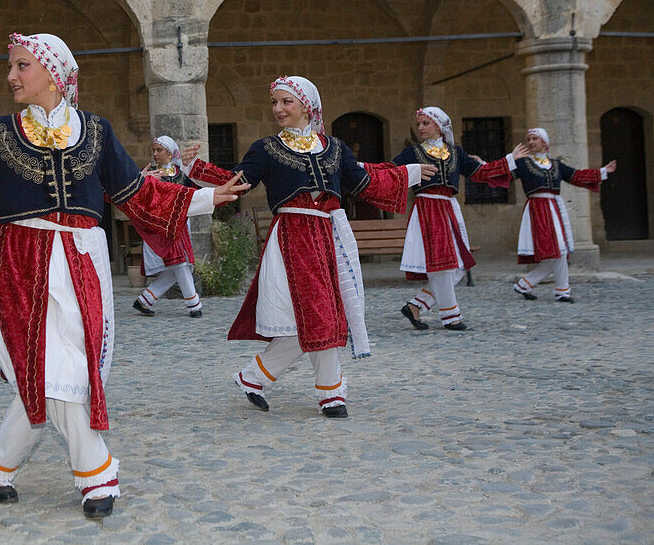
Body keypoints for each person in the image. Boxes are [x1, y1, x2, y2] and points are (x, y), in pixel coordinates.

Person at [0, 33, 246, 518]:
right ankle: (96, 474)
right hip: (20, 261)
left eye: (21, 66)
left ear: (53, 73)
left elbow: (137, 193)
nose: (11, 76)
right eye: (11, 66)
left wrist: (203, 198)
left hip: (83, 260)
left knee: (65, 370)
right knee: (51, 370)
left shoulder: (96, 131)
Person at [180, 76, 433, 419]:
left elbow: (362, 181)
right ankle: (331, 395)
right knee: (321, 314)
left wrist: (409, 173)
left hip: (328, 237)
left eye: (286, 102)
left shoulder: (334, 148)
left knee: (311, 319)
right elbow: (236, 183)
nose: (278, 109)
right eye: (275, 102)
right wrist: (193, 169)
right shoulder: (266, 148)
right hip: (293, 237)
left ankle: (253, 378)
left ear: (306, 105)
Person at [392, 107, 512, 332]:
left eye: (425, 123)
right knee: (442, 265)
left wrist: (511, 160)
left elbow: (482, 172)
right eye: (419, 124)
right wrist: (359, 169)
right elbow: (389, 171)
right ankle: (451, 317)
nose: (420, 128)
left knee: (456, 266)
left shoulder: (456, 153)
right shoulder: (413, 153)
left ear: (438, 126)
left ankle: (416, 305)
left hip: (448, 208)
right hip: (428, 207)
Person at [508, 128, 615, 303]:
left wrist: (603, 172)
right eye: (529, 139)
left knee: (558, 252)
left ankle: (526, 285)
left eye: (535, 138)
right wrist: (483, 164)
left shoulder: (556, 165)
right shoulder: (523, 164)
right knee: (558, 252)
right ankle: (561, 291)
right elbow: (502, 174)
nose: (531, 142)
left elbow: (577, 176)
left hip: (555, 208)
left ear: (544, 142)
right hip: (538, 209)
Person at [131, 136, 203, 318]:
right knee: (180, 262)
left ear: (170, 153)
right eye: (153, 150)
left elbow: (196, 194)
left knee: (178, 265)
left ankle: (145, 300)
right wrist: (141, 180)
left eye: (159, 150)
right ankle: (194, 305)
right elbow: (136, 198)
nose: (155, 154)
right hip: (161, 227)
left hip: (181, 225)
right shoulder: (149, 174)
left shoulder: (182, 175)